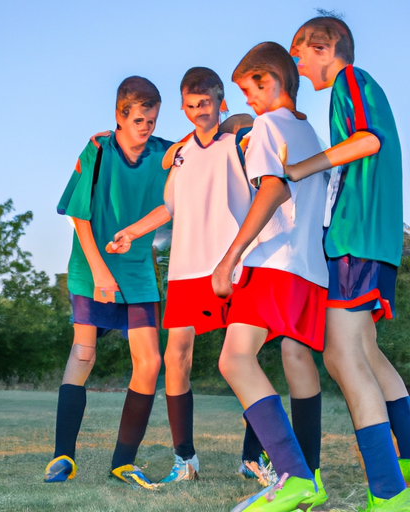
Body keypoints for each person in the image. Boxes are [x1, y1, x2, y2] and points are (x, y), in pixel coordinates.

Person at [108, 67, 255, 483]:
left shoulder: (241, 139)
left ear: (220, 101)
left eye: (205, 104)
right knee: (176, 357)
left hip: (234, 264)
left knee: (244, 361)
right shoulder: (181, 152)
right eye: (190, 106)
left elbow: (249, 125)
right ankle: (185, 460)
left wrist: (238, 123)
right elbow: (168, 208)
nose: (197, 113)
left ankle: (253, 458)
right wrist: (132, 232)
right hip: (187, 268)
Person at [288, 14, 410, 510]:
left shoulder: (351, 80)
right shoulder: (353, 88)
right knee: (368, 353)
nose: (296, 62)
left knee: (341, 356)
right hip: (373, 240)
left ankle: (387, 491)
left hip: (356, 237)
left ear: (327, 45)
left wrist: (298, 168)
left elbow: (367, 140)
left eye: (300, 51)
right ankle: (403, 470)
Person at [212, 42, 329, 511]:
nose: (247, 100)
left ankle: (294, 476)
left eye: (248, 88)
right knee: (296, 355)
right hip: (310, 268)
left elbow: (274, 189)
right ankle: (312, 474)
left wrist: (231, 255)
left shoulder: (266, 124)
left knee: (234, 360)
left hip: (274, 262)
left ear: (270, 80)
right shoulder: (310, 132)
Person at [44, 76, 172, 490]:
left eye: (152, 120)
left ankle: (123, 462)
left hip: (137, 271)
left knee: (151, 363)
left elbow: (205, 143)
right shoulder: (97, 150)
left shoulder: (167, 154)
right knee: (83, 355)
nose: (147, 128)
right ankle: (63, 456)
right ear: (120, 116)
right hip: (91, 266)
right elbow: (78, 214)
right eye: (139, 121)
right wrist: (99, 270)